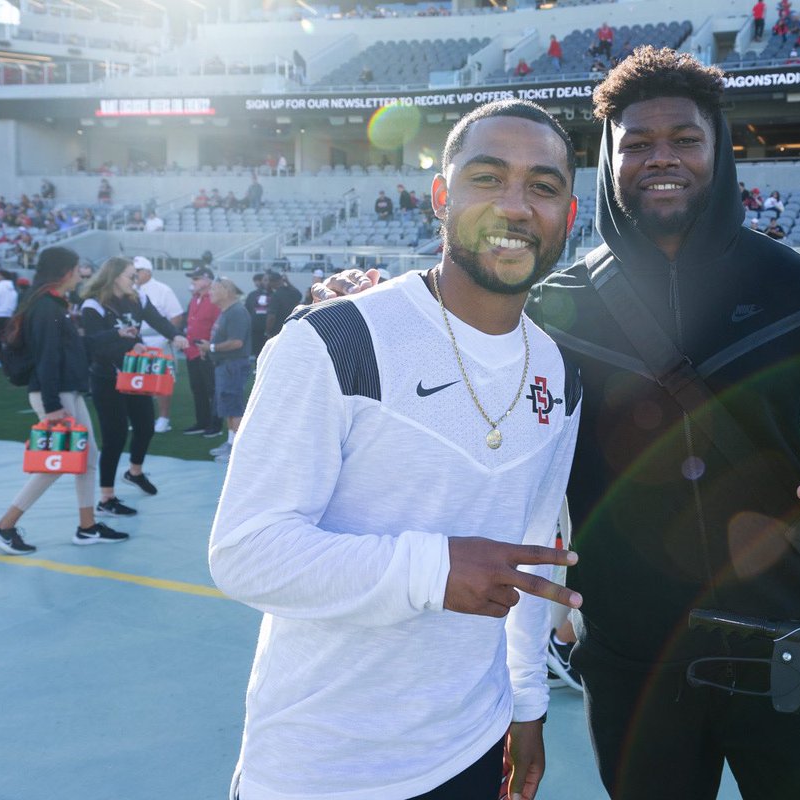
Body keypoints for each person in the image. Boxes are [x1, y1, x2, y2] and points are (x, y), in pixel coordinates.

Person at [315, 47, 800, 800]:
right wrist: (358, 306)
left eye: (684, 140)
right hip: (633, 663)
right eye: (637, 143)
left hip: (785, 646)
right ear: (609, 159)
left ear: (718, 151)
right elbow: (455, 372)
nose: (660, 159)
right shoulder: (553, 306)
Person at [209, 99, 584, 800]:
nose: (514, 205)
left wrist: (527, 703)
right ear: (441, 197)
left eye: (543, 186)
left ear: (567, 212)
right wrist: (430, 568)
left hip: (472, 746)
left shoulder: (560, 374)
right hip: (321, 766)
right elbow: (245, 551)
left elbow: (533, 548)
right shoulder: (335, 341)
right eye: (486, 178)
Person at [0, 247, 129, 554]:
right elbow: (48, 358)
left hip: (64, 392)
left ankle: (87, 527)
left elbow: (73, 347)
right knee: (59, 463)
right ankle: (4, 525)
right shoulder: (47, 308)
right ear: (66, 272)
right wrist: (53, 405)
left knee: (86, 459)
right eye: (78, 268)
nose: (82, 273)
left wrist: (115, 336)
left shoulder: (49, 304)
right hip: (55, 395)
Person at [80, 257, 188, 514]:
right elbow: (95, 345)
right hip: (106, 378)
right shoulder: (93, 305)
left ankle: (134, 472)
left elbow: (158, 320)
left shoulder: (137, 298)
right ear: (115, 276)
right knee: (114, 436)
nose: (136, 280)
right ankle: (106, 499)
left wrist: (176, 336)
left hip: (135, 375)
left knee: (145, 426)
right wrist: (129, 344)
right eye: (131, 275)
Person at [196, 277, 250, 464]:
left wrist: (211, 348)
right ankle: (231, 442)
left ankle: (239, 449)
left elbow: (237, 342)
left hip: (232, 365)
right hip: (226, 365)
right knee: (229, 406)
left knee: (234, 407)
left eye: (213, 289)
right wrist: (210, 349)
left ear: (226, 291)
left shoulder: (236, 312)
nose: (209, 293)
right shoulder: (227, 311)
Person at [134, 257, 185, 433]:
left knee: (162, 381)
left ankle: (163, 418)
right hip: (138, 342)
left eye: (138, 271)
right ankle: (141, 417)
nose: (135, 274)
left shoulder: (163, 289)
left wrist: (169, 336)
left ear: (148, 271)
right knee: (139, 382)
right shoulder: (132, 290)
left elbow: (176, 316)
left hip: (159, 340)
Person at [183, 266, 222, 437]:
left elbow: (218, 327)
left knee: (212, 389)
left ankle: (215, 424)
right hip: (191, 351)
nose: (193, 282)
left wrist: (211, 347)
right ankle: (202, 422)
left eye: (196, 278)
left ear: (207, 280)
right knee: (197, 388)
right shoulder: (195, 298)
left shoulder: (215, 299)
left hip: (207, 352)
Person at [0, 266, 18, 367]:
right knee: (6, 339)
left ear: (2, 276)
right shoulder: (13, 288)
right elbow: (14, 303)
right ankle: (8, 359)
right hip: (8, 315)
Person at [264, 270, 301, 341]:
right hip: (291, 329)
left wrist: (267, 331)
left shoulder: (275, 295)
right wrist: (287, 282)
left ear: (272, 282)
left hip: (277, 331)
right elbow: (299, 295)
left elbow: (271, 317)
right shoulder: (291, 292)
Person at [245, 272, 270, 355]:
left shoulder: (275, 295)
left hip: (270, 331)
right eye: (265, 280)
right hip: (255, 330)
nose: (267, 282)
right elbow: (247, 311)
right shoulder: (252, 295)